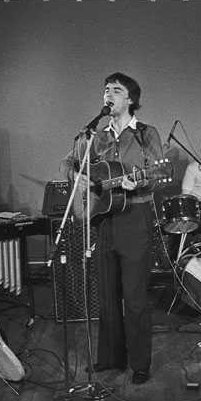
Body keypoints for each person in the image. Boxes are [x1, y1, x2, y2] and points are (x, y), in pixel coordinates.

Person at [62, 72, 164, 384]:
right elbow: (69, 163)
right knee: (107, 294)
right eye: (106, 89)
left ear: (130, 99)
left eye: (116, 90)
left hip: (135, 218)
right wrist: (79, 181)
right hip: (104, 219)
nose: (109, 94)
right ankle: (111, 358)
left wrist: (139, 180)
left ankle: (140, 363)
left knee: (134, 297)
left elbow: (158, 172)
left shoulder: (147, 133)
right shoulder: (97, 135)